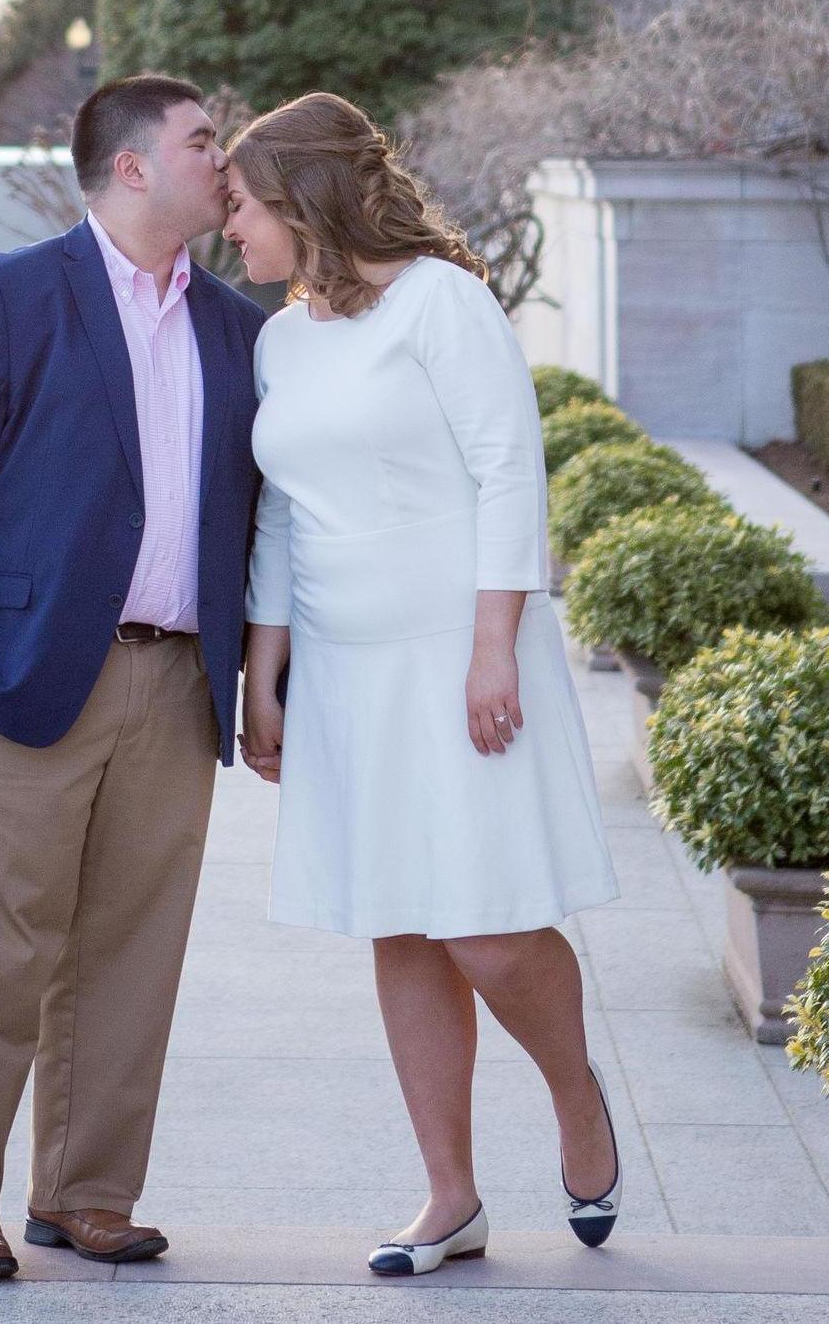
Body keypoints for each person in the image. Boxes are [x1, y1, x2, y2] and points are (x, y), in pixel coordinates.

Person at [225, 92, 623, 1276]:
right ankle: (449, 1196)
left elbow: (511, 469)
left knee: (489, 926)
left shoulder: (444, 303)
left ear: (303, 198)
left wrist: (493, 640)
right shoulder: (280, 337)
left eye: (242, 207)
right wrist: (263, 671)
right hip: (344, 672)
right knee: (398, 922)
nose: (230, 230)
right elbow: (280, 516)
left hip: (457, 655)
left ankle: (576, 1095)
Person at [0, 73, 264, 1282]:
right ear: (134, 165)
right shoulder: (6, 297)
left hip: (174, 682)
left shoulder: (240, 328)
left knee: (129, 954)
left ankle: (88, 1193)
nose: (225, 159)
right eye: (205, 141)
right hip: (10, 680)